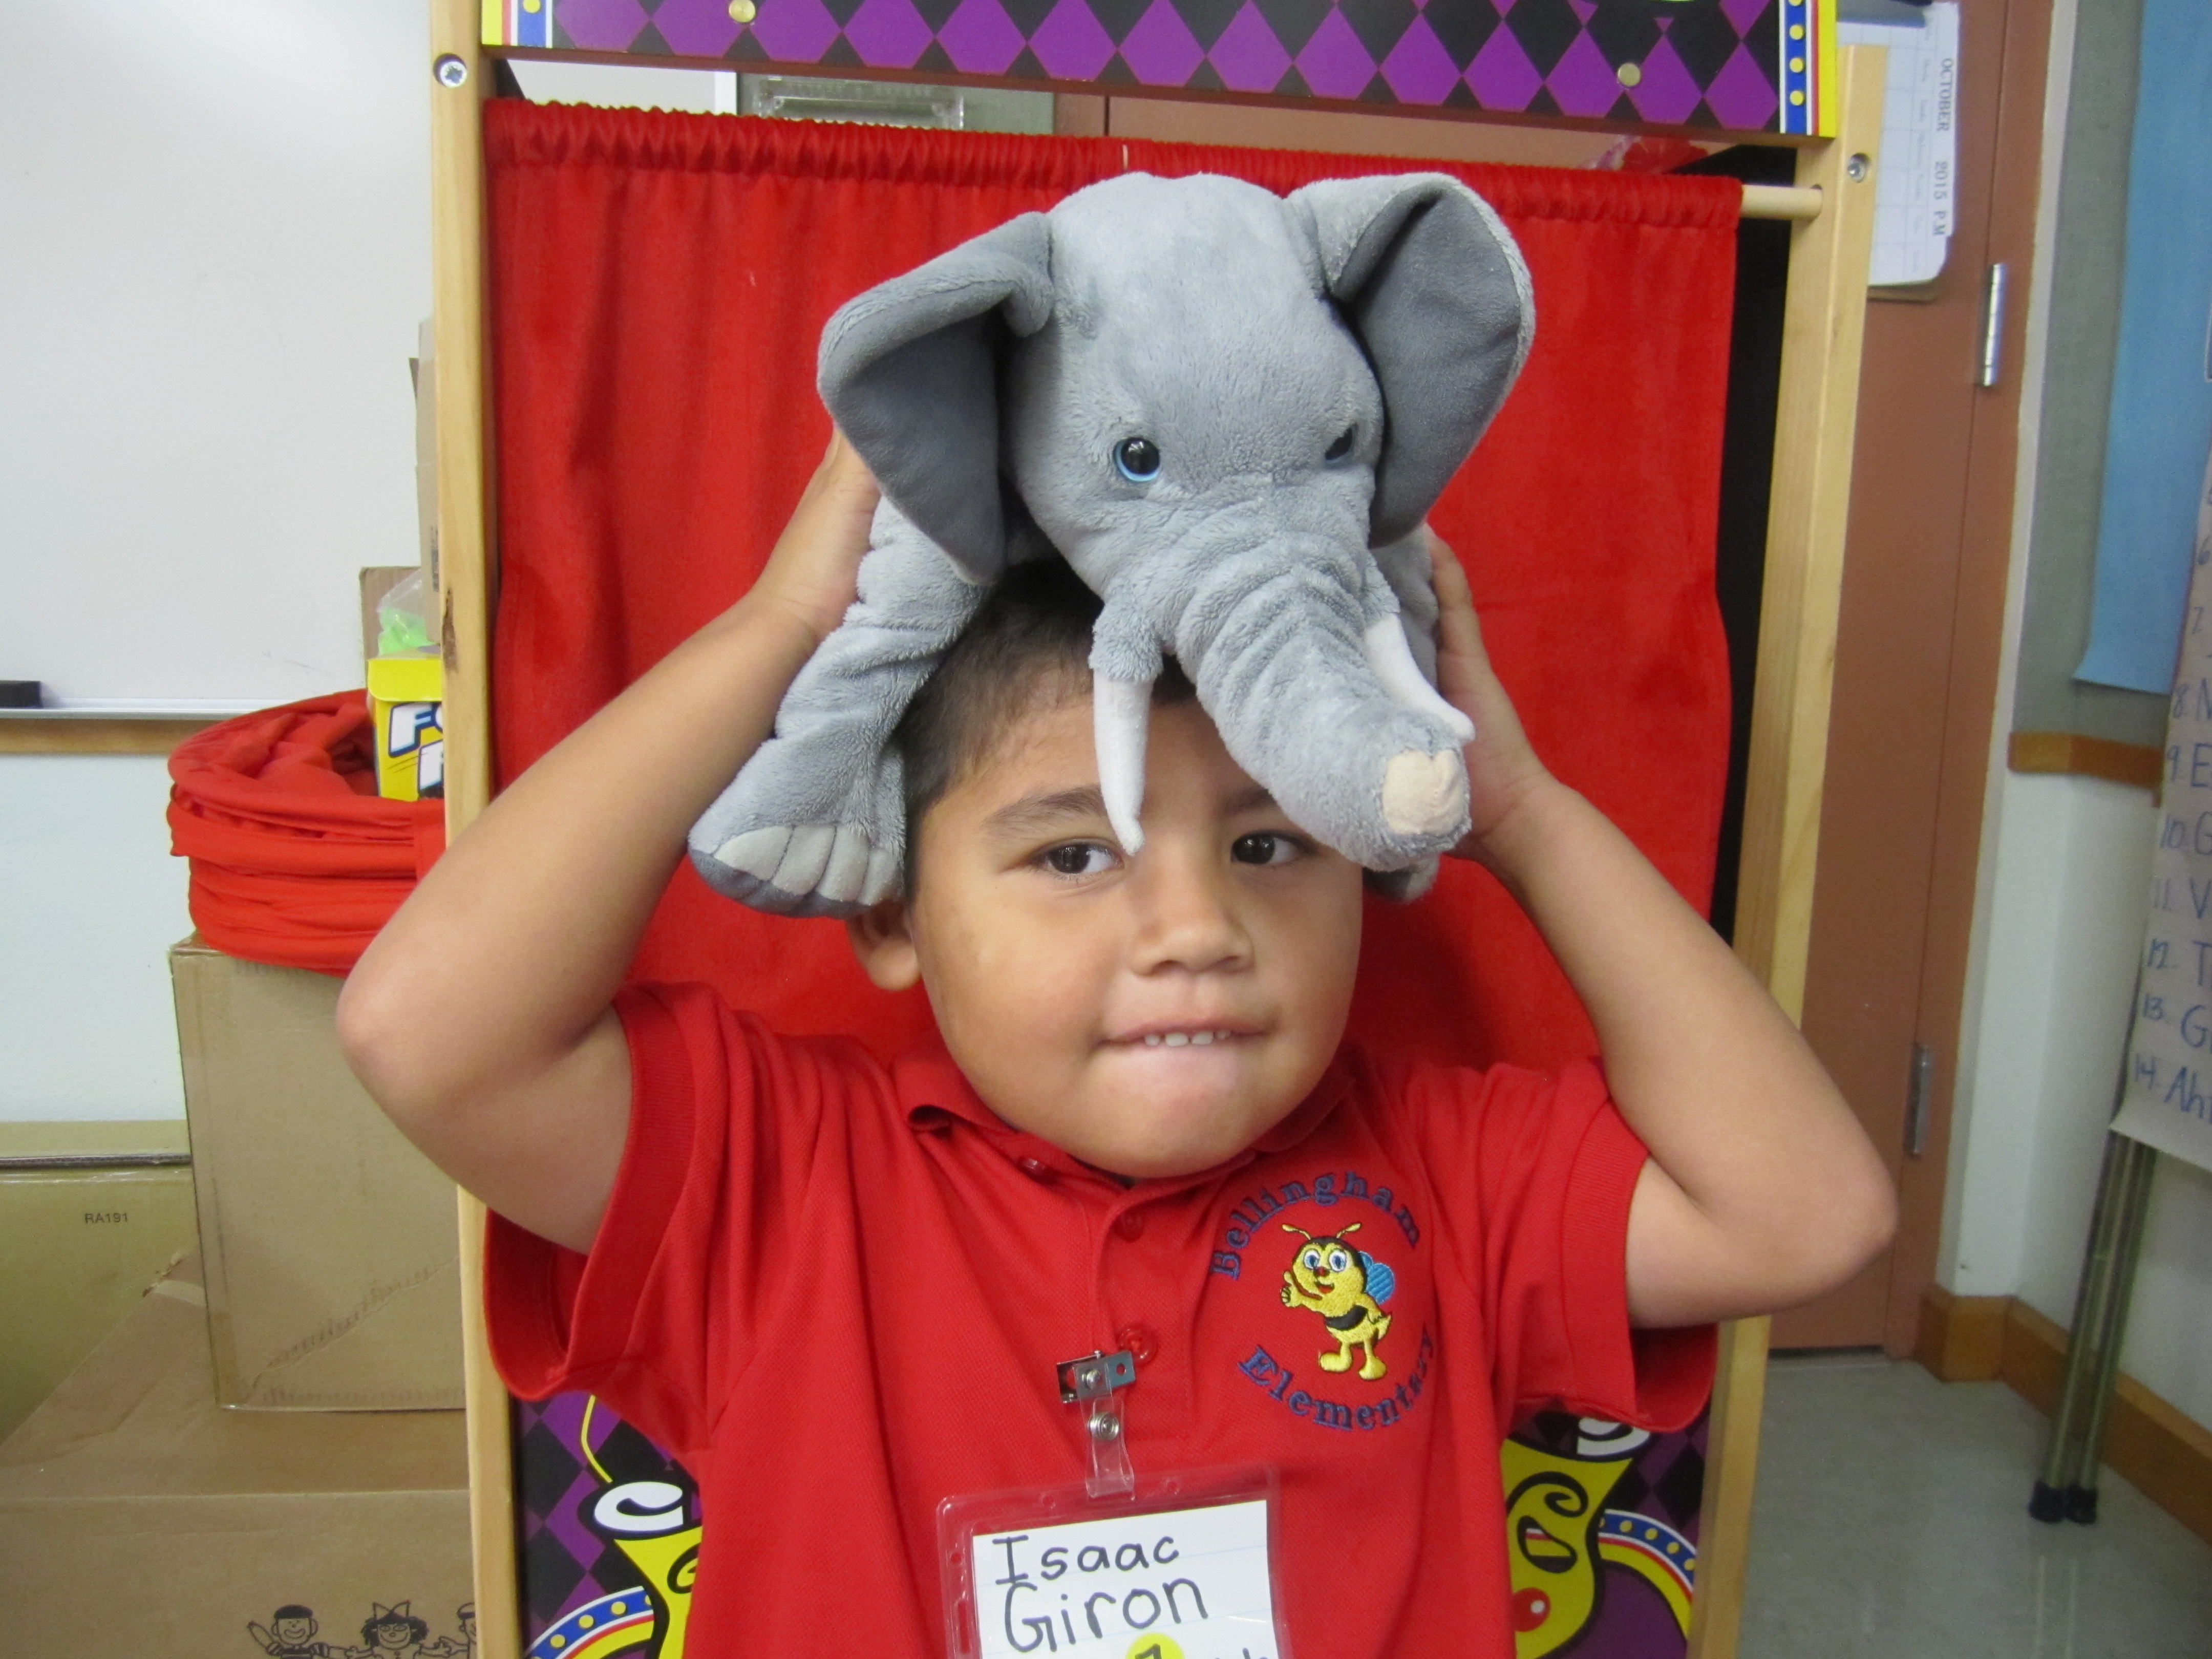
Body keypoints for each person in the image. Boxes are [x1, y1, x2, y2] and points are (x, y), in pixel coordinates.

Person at [341, 434, 1895, 1657]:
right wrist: (786, 628)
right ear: (889, 911)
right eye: (1074, 854)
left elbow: (1809, 1214)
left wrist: (1525, 814)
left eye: (1272, 847)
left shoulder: (1452, 1175)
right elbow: (429, 1033)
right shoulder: (781, 1185)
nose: (1195, 928)